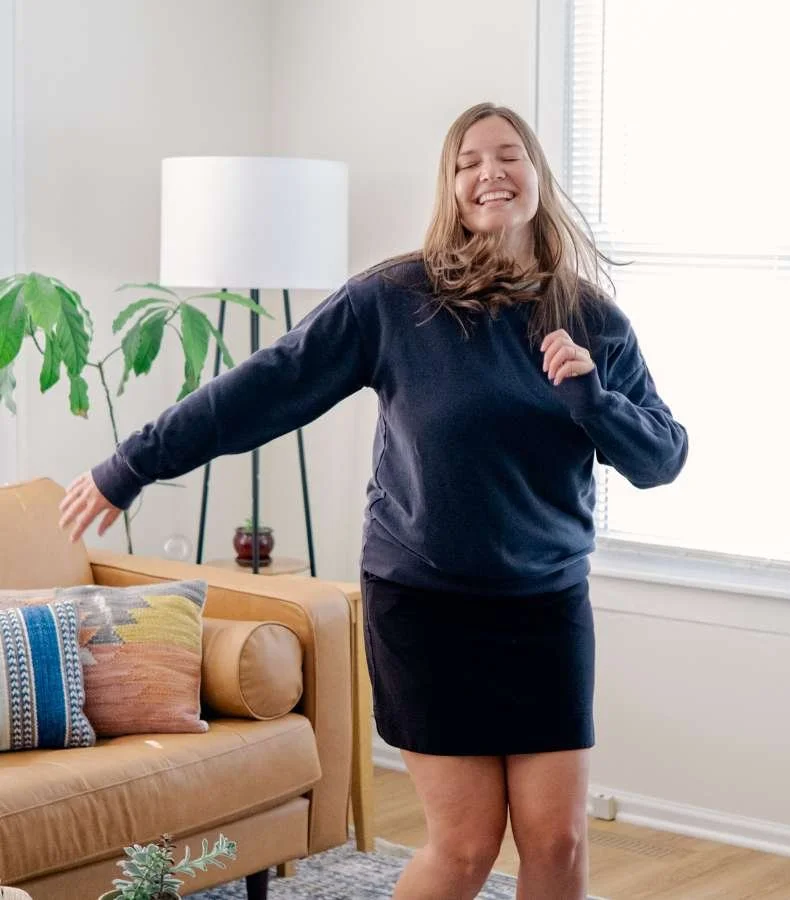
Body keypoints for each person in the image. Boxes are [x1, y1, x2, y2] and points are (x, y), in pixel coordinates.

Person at [59, 101, 688, 899]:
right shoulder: (397, 300)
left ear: (538, 177)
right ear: (450, 187)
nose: (489, 172)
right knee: (464, 847)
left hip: (546, 606)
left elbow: (663, 458)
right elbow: (262, 389)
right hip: (427, 605)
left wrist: (594, 400)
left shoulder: (592, 323)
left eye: (508, 155)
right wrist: (130, 465)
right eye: (467, 162)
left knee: (558, 844)